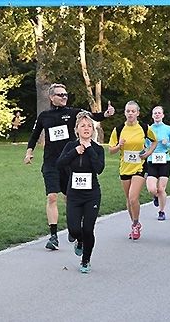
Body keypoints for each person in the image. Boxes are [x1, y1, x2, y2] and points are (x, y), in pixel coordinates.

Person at [24, 83, 114, 250]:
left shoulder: (73, 113)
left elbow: (92, 117)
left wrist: (106, 114)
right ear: (51, 97)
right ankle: (53, 236)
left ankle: (75, 229)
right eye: (60, 95)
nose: (64, 97)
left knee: (69, 197)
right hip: (51, 163)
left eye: (66, 94)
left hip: (70, 162)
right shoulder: (44, 116)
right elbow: (34, 135)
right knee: (52, 196)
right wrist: (29, 152)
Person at [56, 111, 105, 274]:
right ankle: (79, 241)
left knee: (88, 228)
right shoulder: (70, 146)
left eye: (89, 126)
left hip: (92, 195)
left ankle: (86, 260)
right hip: (74, 194)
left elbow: (99, 168)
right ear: (76, 129)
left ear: (93, 130)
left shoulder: (97, 149)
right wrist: (75, 152)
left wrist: (89, 149)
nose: (86, 128)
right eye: (82, 126)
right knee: (74, 229)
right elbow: (59, 163)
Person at [109, 101, 157, 240]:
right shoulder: (118, 130)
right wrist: (119, 145)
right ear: (125, 112)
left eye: (133, 111)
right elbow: (111, 150)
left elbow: (155, 141)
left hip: (139, 167)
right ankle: (134, 222)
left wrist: (148, 153)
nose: (130, 113)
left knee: (133, 197)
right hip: (125, 168)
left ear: (137, 113)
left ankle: (135, 224)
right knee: (129, 200)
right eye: (128, 111)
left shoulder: (143, 127)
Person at [146, 106, 170, 221]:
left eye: (159, 113)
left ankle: (161, 211)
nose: (157, 115)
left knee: (161, 189)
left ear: (163, 115)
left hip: (164, 160)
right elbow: (145, 144)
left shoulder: (169, 129)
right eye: (155, 113)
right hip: (152, 160)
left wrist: (167, 143)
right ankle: (155, 196)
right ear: (152, 116)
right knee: (152, 188)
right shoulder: (148, 129)